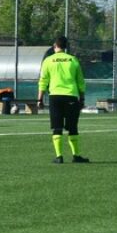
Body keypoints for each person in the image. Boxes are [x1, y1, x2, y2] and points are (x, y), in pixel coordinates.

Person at [37, 36, 89, 164]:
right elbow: (80, 81)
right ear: (66, 47)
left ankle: (59, 156)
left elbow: (43, 81)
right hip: (71, 96)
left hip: (55, 97)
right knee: (72, 127)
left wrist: (39, 99)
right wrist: (82, 98)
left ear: (55, 45)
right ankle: (76, 156)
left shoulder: (48, 61)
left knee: (57, 127)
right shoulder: (73, 60)